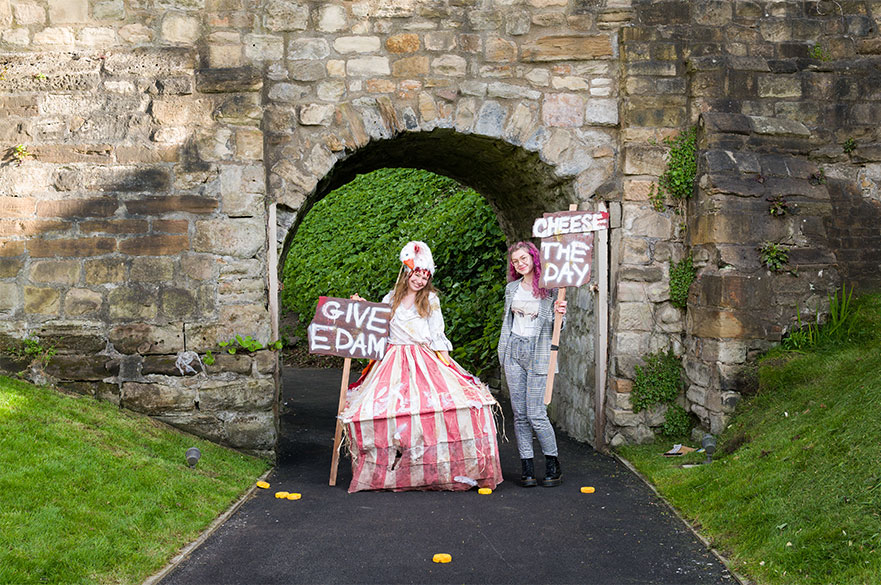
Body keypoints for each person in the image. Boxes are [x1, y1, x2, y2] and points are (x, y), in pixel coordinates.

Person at [340, 241, 503, 493]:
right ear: (407, 274)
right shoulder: (390, 298)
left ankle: (433, 469)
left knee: (432, 409)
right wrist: (361, 307)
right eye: (417, 274)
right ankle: (396, 470)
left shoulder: (431, 300)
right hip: (393, 360)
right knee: (390, 410)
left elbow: (437, 334)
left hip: (423, 358)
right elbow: (377, 326)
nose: (420, 281)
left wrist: (448, 366)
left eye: (425, 277)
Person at [497, 241, 567, 488]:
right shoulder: (512, 289)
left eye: (523, 258)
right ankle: (527, 466)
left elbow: (559, 327)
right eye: (515, 261)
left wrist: (560, 312)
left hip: (538, 353)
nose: (520, 264)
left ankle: (552, 464)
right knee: (519, 414)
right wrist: (504, 352)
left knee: (536, 413)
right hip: (514, 350)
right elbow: (508, 321)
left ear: (534, 258)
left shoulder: (550, 290)